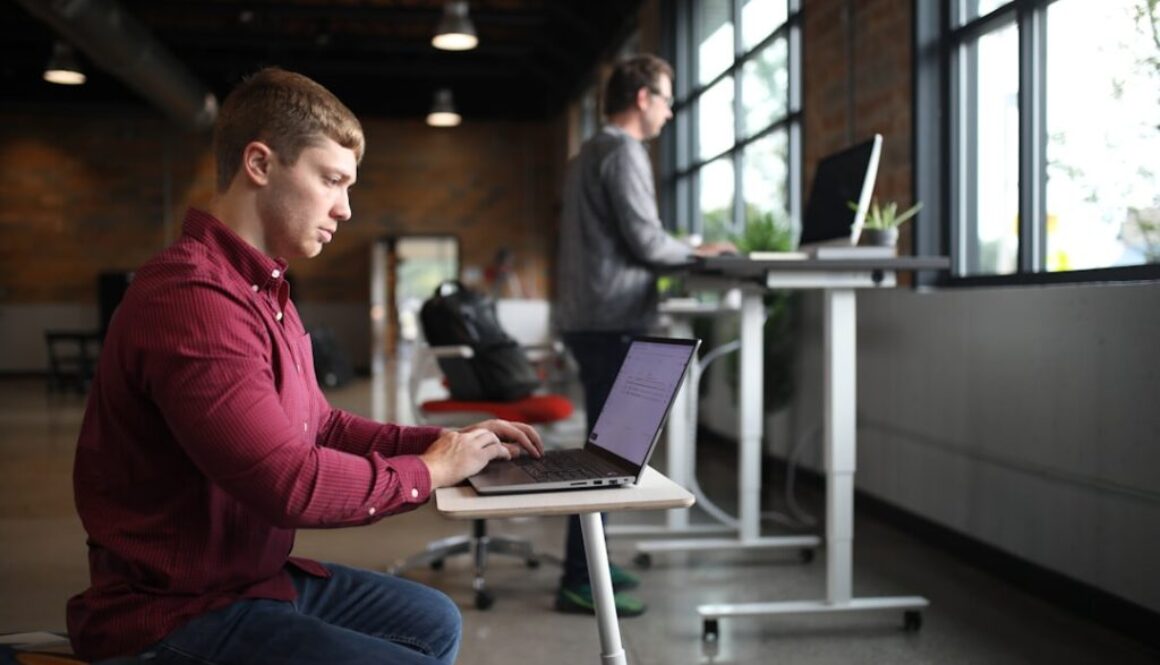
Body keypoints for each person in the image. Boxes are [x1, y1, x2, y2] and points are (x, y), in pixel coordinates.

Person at [66, 67, 543, 665]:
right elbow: (288, 484)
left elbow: (321, 426)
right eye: (332, 180)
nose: (345, 209)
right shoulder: (192, 297)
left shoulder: (268, 293)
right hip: (176, 611)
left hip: (251, 583)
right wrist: (429, 472)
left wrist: (450, 442)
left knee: (431, 619)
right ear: (260, 165)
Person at [553, 54, 735, 616]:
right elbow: (646, 243)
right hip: (612, 319)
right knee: (610, 454)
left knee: (606, 448)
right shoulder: (623, 151)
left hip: (590, 315)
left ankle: (592, 565)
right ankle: (580, 579)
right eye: (666, 97)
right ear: (642, 98)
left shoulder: (588, 152)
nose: (670, 110)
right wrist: (698, 252)